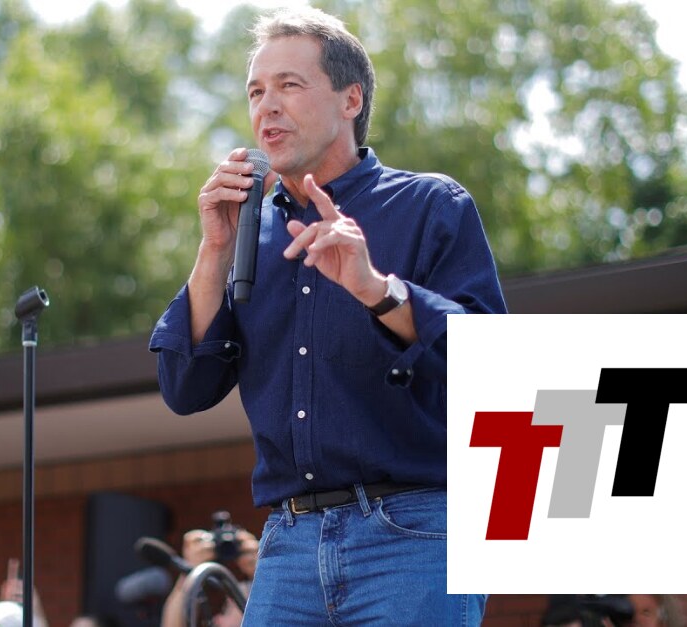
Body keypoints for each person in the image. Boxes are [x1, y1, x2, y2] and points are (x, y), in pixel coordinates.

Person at [148, 6, 506, 625]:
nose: (267, 106)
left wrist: (377, 290)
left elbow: (490, 362)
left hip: (415, 535)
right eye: (256, 91)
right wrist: (213, 249)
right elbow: (184, 387)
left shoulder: (430, 204)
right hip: (287, 548)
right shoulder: (245, 233)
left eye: (289, 85)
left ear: (350, 99)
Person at [160, 527, 259, 627]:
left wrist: (260, 568)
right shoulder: (239, 593)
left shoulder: (248, 592)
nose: (219, 620)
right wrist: (189, 569)